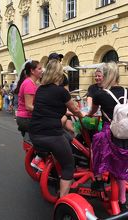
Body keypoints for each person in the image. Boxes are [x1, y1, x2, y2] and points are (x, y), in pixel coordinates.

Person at [29, 59, 83, 197]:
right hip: (51, 135)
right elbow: (75, 109)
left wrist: (64, 111)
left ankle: (43, 161)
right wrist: (81, 115)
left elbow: (46, 107)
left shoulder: (40, 89)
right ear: (59, 74)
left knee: (68, 138)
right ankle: (63, 199)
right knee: (68, 165)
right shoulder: (61, 91)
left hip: (35, 133)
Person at [87, 62, 128, 212]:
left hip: (110, 134)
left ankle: (99, 179)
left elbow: (91, 112)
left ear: (105, 76)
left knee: (94, 146)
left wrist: (87, 115)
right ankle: (122, 201)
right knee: (120, 170)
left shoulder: (99, 94)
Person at [15, 59, 43, 170]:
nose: (42, 70)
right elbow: (29, 106)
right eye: (39, 68)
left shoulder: (30, 83)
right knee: (48, 135)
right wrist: (45, 111)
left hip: (25, 117)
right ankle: (38, 160)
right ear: (32, 71)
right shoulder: (29, 84)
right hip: (26, 118)